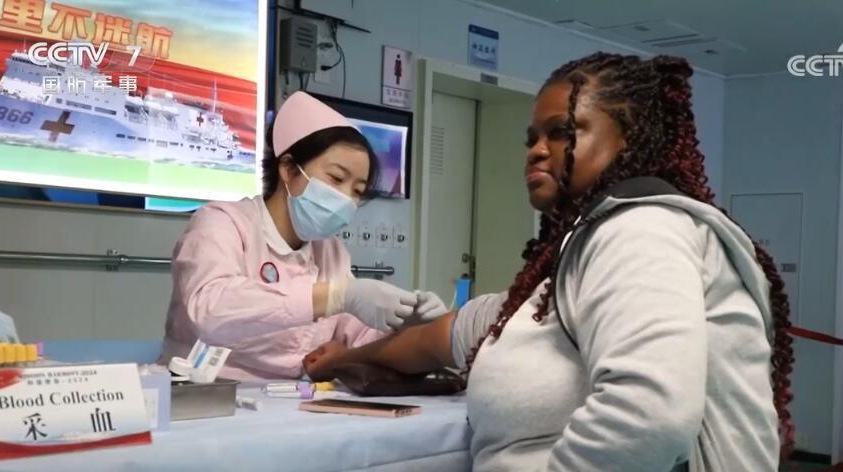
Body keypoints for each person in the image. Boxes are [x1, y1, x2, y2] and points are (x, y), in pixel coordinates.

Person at [303, 53, 795, 471]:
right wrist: (346, 358)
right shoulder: (577, 256)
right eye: (531, 139)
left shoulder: (640, 229)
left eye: (561, 132)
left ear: (629, 137)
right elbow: (448, 335)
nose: (537, 152)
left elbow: (648, 415)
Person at [160, 92, 447, 381]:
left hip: (291, 399)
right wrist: (335, 296)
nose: (346, 198)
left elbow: (358, 339)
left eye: (357, 191)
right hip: (206, 393)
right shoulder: (222, 224)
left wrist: (405, 325)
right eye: (336, 178)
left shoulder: (330, 252)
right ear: (288, 169)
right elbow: (211, 310)